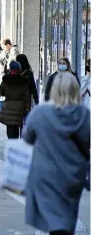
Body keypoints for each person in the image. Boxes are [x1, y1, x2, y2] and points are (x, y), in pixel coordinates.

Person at [23, 72, 90, 235]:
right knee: (68, 213)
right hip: (73, 174)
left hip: (44, 174)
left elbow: (27, 138)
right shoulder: (84, 115)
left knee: (50, 216)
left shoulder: (39, 113)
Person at [0, 61, 30, 139]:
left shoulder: (5, 79)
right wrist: (27, 107)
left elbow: (1, 92)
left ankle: (11, 145)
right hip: (20, 108)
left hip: (8, 106)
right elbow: (26, 95)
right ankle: (16, 145)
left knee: (10, 128)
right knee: (17, 128)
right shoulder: (23, 81)